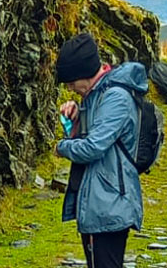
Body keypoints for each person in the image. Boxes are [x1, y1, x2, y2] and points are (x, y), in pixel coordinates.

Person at [55, 33, 147, 268]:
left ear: (82, 73)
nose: (69, 87)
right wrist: (77, 119)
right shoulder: (96, 94)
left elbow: (92, 147)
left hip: (109, 201)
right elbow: (93, 136)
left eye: (70, 82)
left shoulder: (115, 97)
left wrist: (61, 147)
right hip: (100, 199)